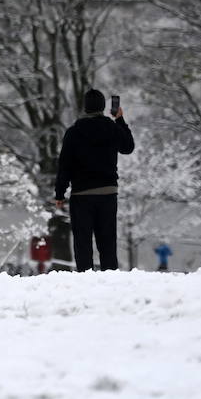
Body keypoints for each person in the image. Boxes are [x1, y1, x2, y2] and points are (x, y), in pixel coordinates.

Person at [53, 89, 136, 271]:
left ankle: (85, 280)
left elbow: (64, 165)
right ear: (103, 107)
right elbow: (128, 147)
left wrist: (60, 193)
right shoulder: (112, 128)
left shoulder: (73, 133)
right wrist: (120, 119)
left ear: (85, 108)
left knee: (82, 243)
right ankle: (110, 281)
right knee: (107, 242)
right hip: (108, 193)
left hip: (81, 195)